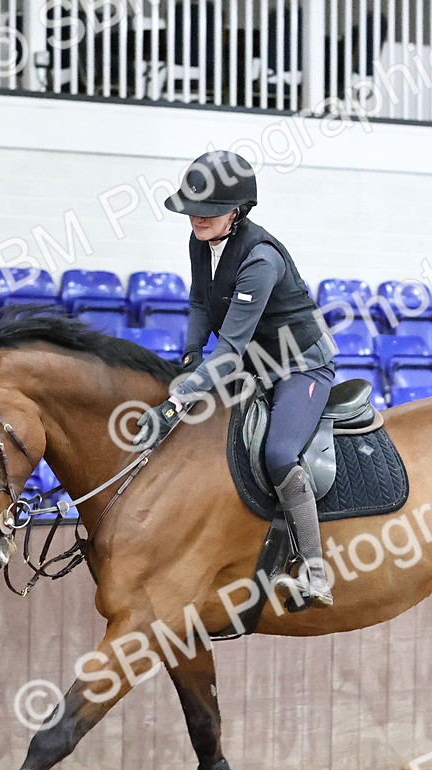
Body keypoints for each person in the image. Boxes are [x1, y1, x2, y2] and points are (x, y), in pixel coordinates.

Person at [133, 150, 336, 608]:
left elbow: (231, 349)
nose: (196, 220)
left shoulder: (261, 259)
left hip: (299, 363)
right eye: (192, 211)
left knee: (280, 453)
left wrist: (180, 395)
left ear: (237, 211)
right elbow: (200, 304)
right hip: (252, 360)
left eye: (207, 212)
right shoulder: (199, 242)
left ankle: (315, 571)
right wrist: (188, 354)